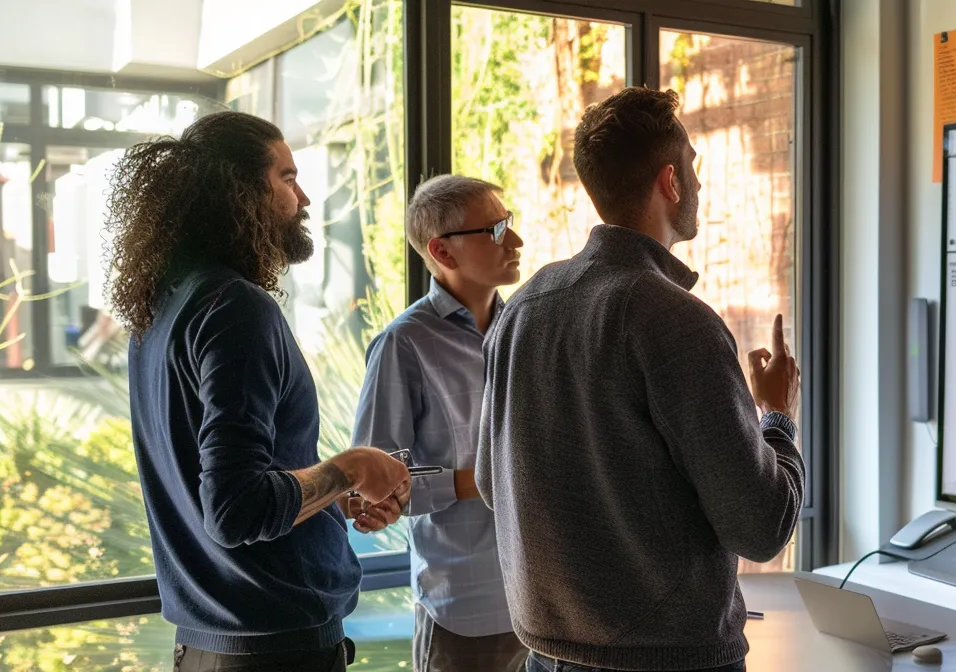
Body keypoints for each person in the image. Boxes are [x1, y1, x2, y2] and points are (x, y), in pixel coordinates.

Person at [476, 86, 805, 672]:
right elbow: (761, 526)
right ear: (670, 182)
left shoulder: (521, 310)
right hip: (666, 662)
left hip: (545, 657)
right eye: (694, 169)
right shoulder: (677, 322)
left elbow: (488, 480)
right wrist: (777, 417)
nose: (700, 186)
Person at [106, 110, 411, 672]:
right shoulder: (236, 308)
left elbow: (223, 484)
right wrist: (354, 465)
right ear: (240, 191)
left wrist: (329, 500)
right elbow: (235, 509)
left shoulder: (161, 308)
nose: (305, 198)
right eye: (288, 178)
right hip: (275, 651)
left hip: (204, 646)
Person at [350, 174, 529, 672]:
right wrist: (480, 481)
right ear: (443, 252)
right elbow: (371, 488)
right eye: (495, 230)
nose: (515, 241)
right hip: (465, 610)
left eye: (509, 224)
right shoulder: (402, 345)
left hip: (548, 602)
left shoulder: (526, 331)